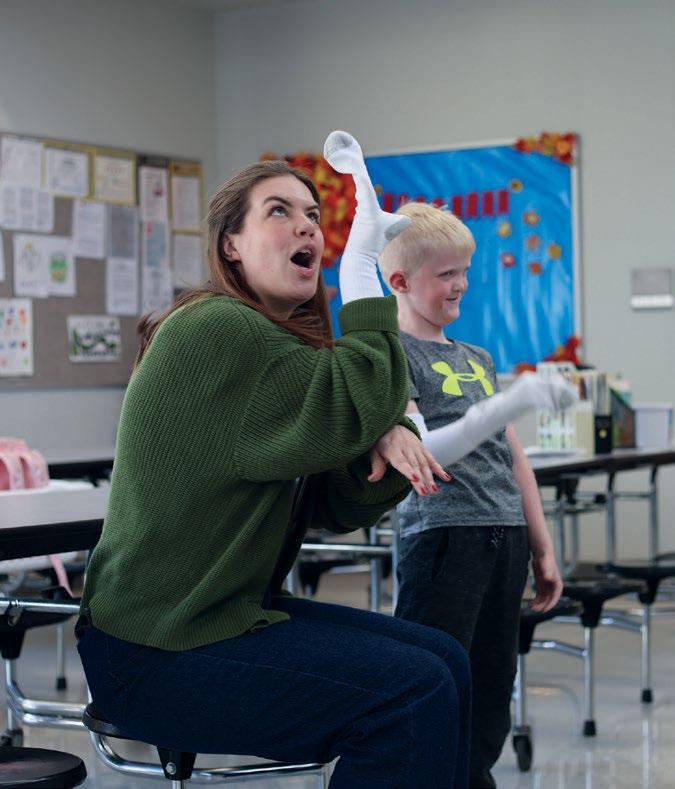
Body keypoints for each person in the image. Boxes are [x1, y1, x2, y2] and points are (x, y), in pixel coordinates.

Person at [76, 132, 472, 789]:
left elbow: (333, 502)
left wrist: (385, 432)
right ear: (231, 244)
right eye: (278, 211)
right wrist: (360, 277)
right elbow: (362, 391)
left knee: (444, 658)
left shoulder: (277, 351)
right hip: (154, 649)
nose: (307, 225)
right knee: (414, 689)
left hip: (219, 617)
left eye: (313, 214)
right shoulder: (217, 328)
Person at [370, 199, 574, 788]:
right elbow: (424, 448)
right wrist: (512, 402)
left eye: (464, 271)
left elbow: (513, 458)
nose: (460, 284)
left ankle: (472, 776)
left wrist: (542, 546)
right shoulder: (390, 355)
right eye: (446, 274)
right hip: (443, 538)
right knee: (434, 677)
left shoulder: (476, 358)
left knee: (491, 684)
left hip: (504, 536)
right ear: (400, 283)